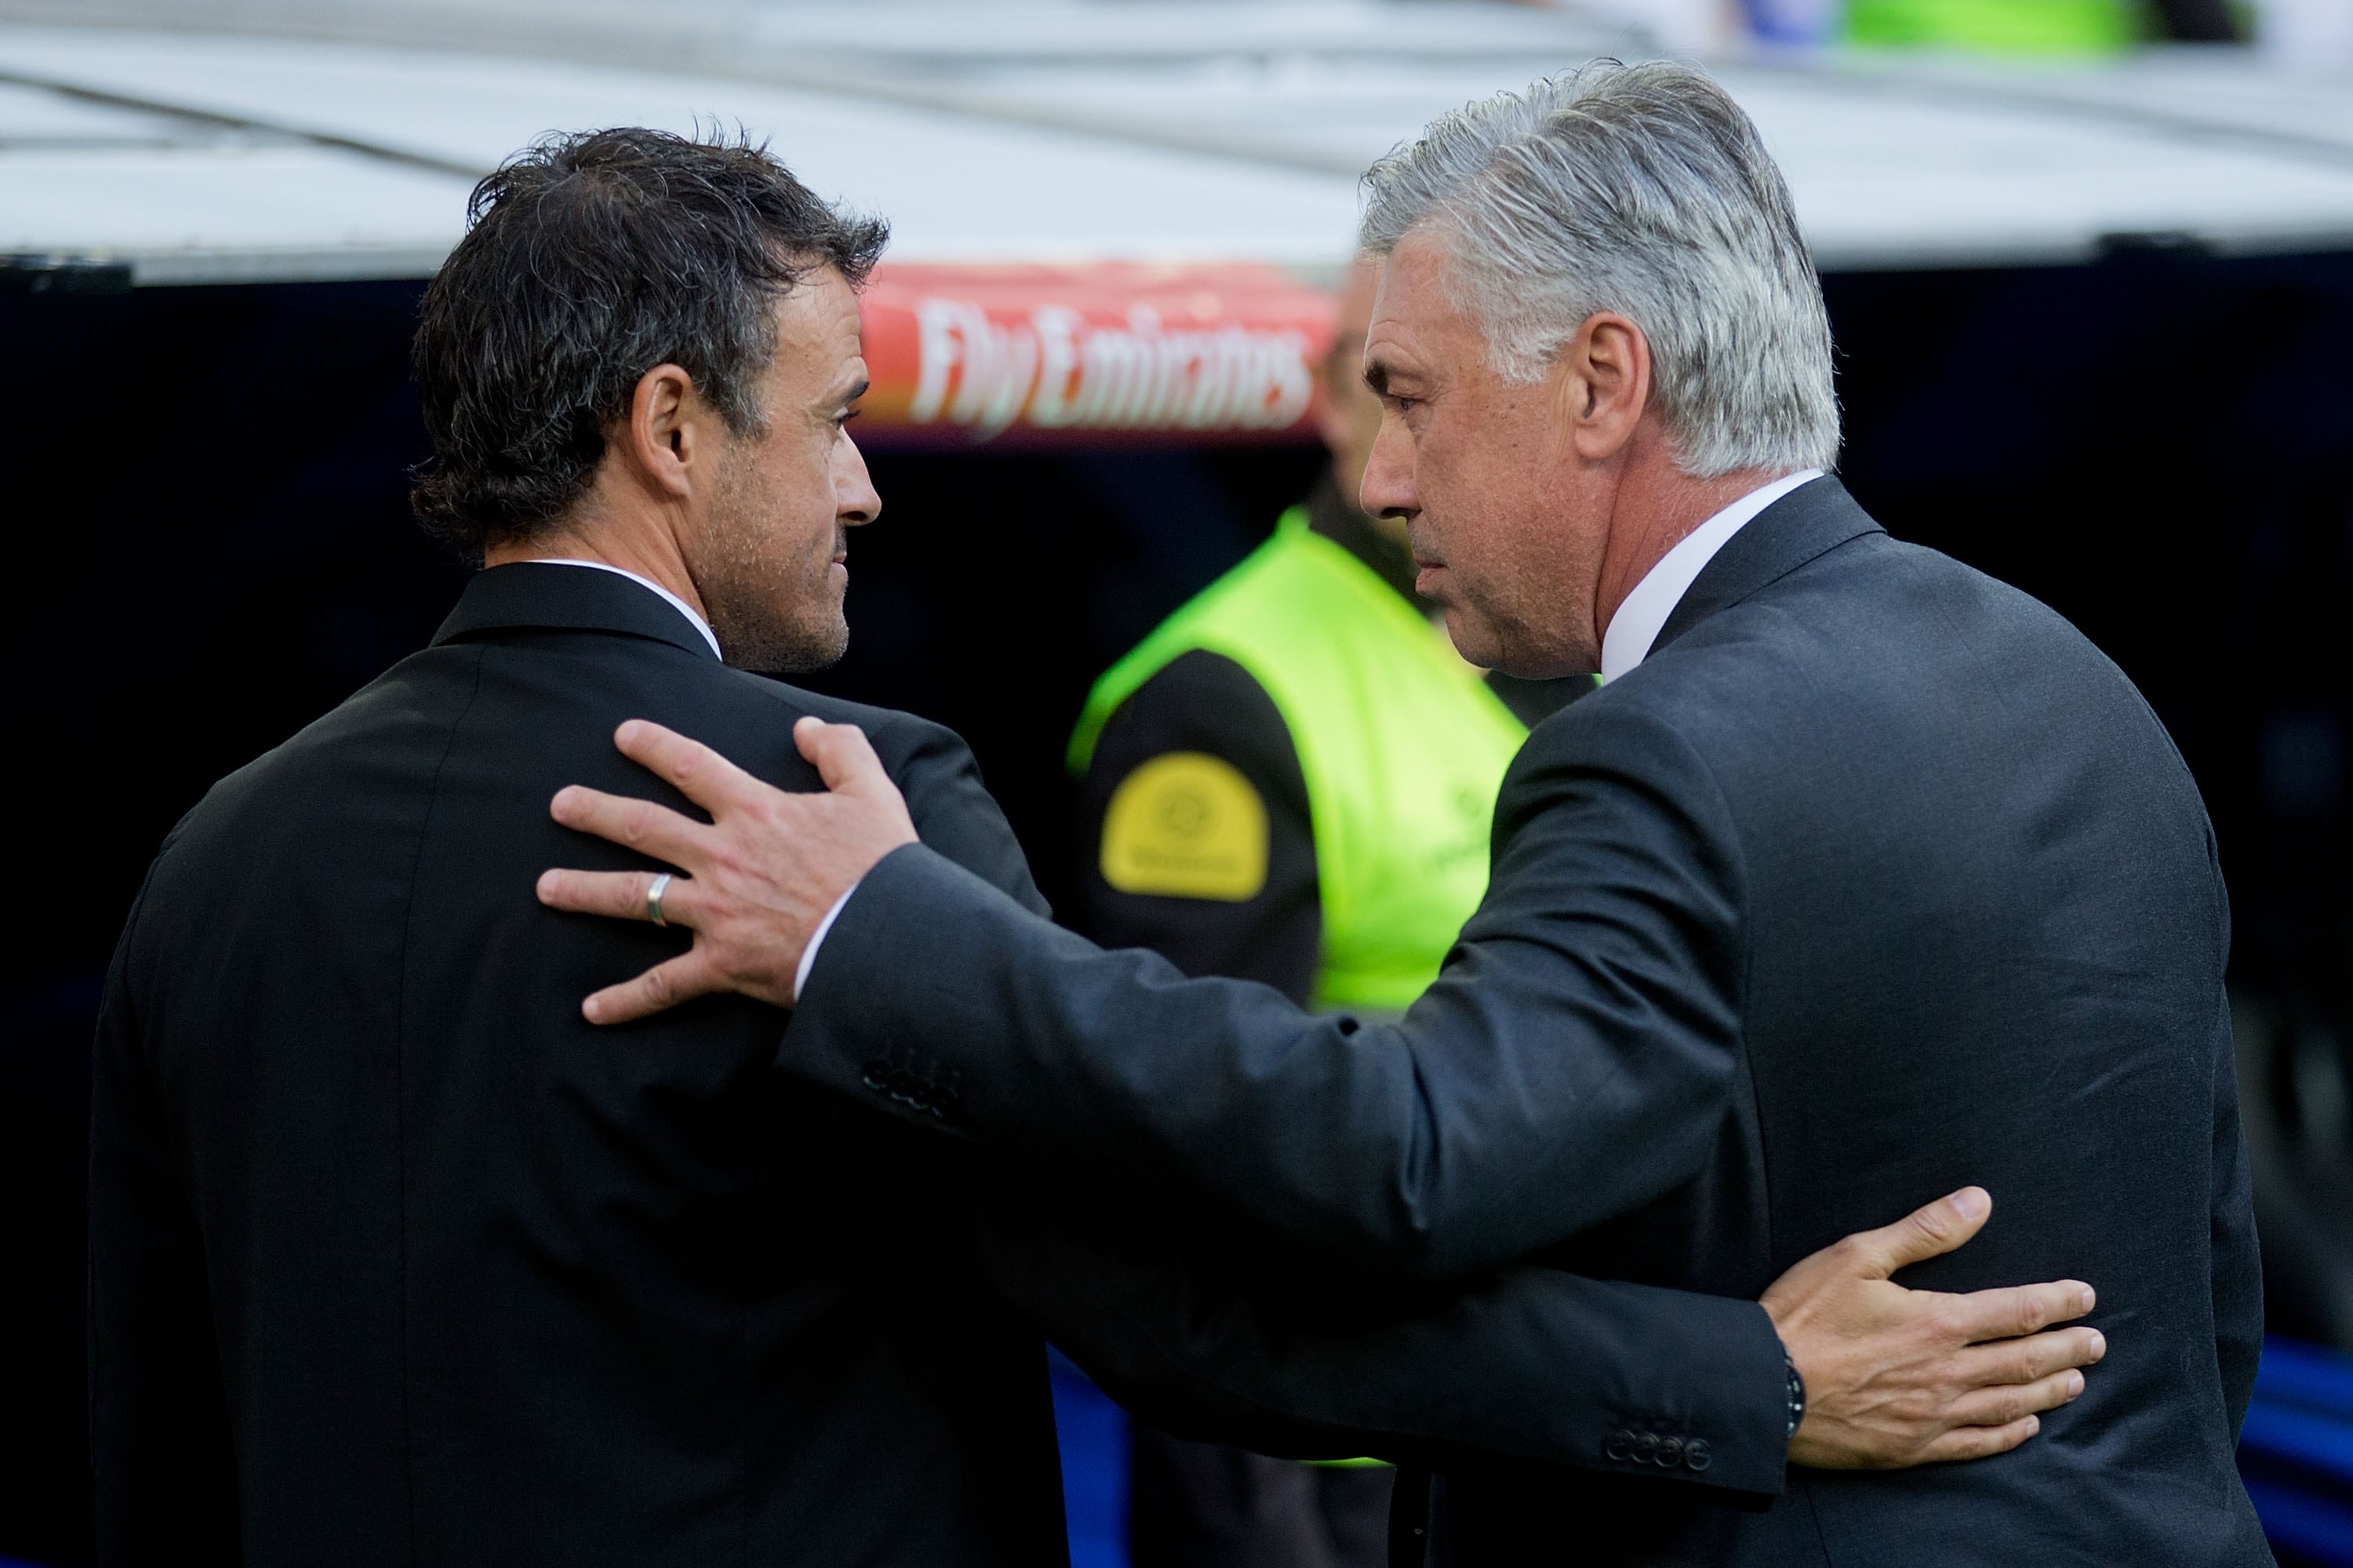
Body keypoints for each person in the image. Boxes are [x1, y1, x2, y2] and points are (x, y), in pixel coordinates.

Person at [89, 126, 2107, 1568]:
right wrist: (1735, 1385)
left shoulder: (207, 867)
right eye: (840, 418)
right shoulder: (827, 812)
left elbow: (152, 1444)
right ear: (674, 428)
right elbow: (1190, 1316)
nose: (874, 486)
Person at [538, 61, 2268, 1566]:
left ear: (1604, 383)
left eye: (1414, 399)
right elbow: (2206, 1280)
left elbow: (1409, 1157)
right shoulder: (2077, 691)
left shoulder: (1664, 748)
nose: (1375, 472)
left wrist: (879, 929)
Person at [1068, 257, 1586, 1568]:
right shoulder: (1222, 695)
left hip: (1548, 1402)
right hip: (1335, 1462)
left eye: (1448, 377)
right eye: (1385, 377)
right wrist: (1256, 1526)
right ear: (1322, 388)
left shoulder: (1527, 634)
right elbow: (1178, 1163)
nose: (1417, 420)